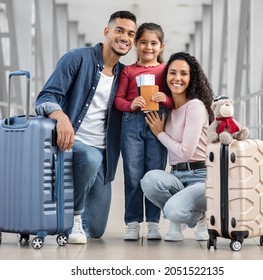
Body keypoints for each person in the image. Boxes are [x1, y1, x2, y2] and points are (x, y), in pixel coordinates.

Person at [35, 11, 137, 244]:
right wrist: (61, 117)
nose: (125, 37)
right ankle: (74, 215)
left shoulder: (124, 75)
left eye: (130, 34)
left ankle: (77, 192)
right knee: (90, 158)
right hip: (71, 143)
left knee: (97, 230)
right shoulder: (77, 59)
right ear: (107, 32)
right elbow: (46, 96)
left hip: (105, 154)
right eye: (119, 30)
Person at [140, 52, 214, 242]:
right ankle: (185, 216)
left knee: (173, 209)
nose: (177, 78)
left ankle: (201, 218)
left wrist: (160, 133)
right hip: (177, 175)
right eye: (172, 73)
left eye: (184, 73)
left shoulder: (195, 106)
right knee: (148, 180)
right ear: (166, 77)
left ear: (192, 78)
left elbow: (185, 152)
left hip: (201, 177)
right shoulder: (169, 110)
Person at [114, 22, 173, 241]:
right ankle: (132, 223)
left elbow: (174, 100)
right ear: (137, 45)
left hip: (157, 123)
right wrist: (131, 104)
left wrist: (164, 99)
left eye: (154, 43)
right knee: (133, 175)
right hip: (131, 124)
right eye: (144, 43)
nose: (149, 47)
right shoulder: (128, 71)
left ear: (161, 46)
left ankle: (154, 223)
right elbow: (118, 100)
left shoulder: (166, 70)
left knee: (154, 175)